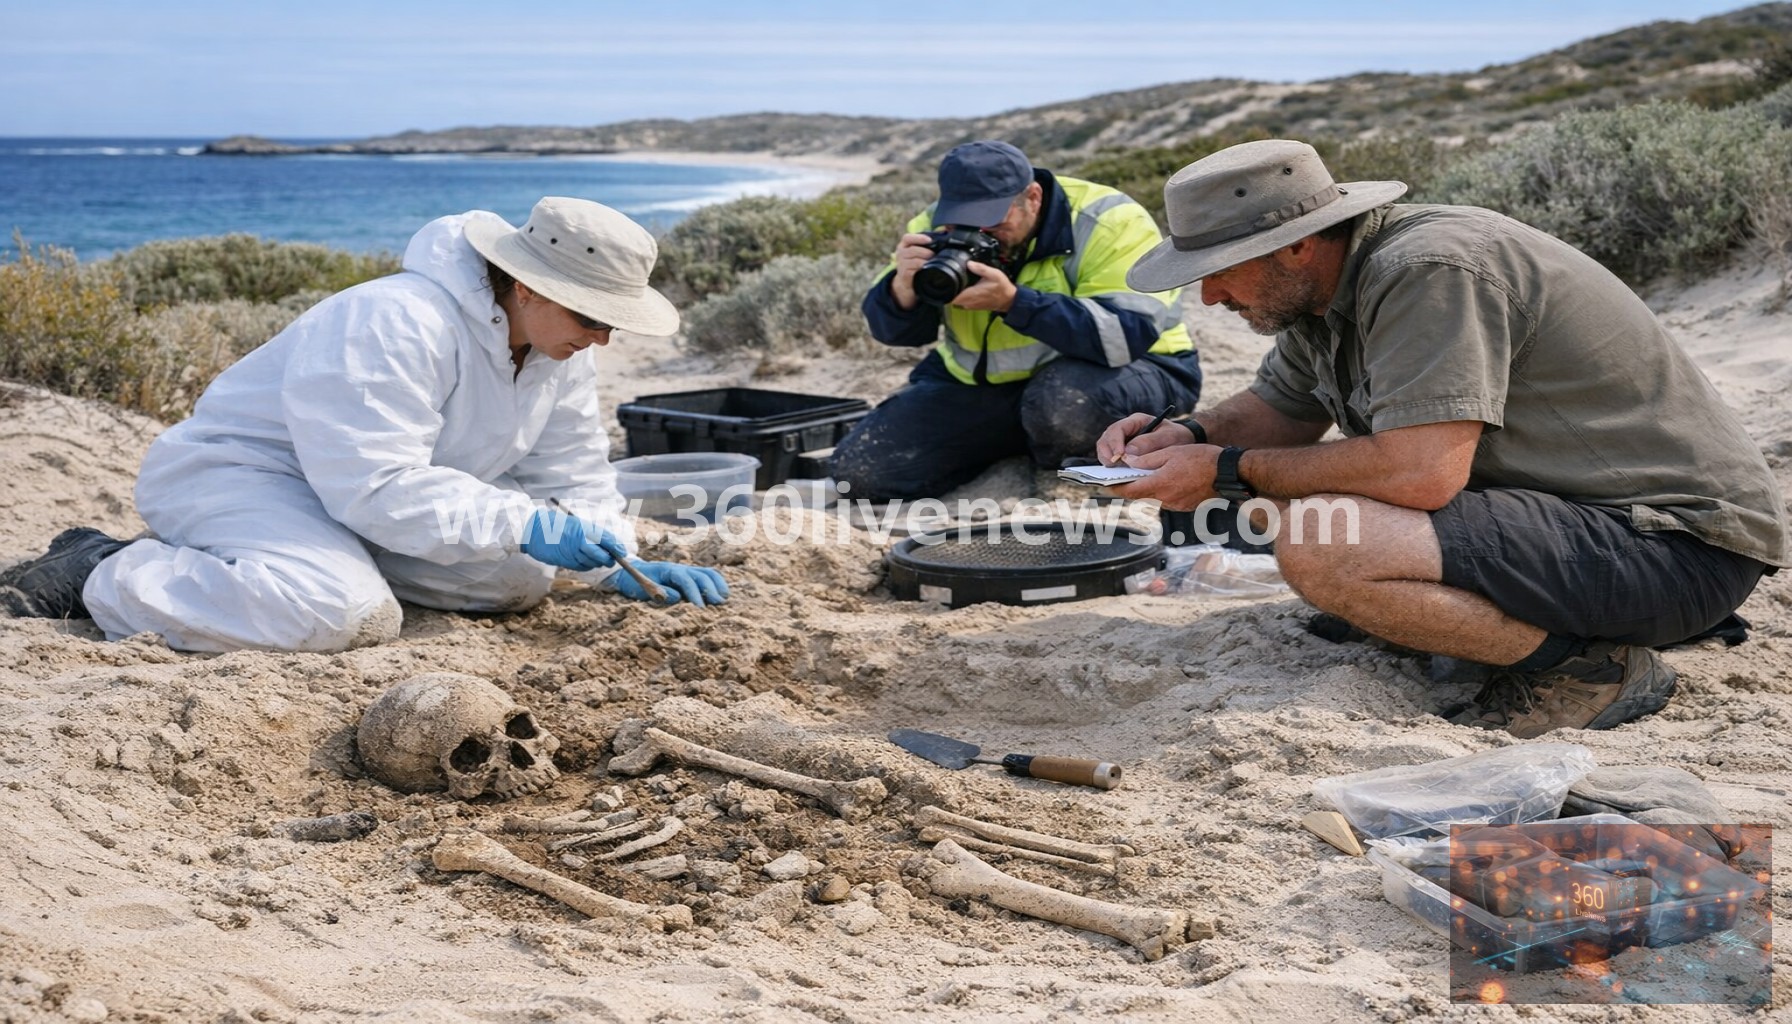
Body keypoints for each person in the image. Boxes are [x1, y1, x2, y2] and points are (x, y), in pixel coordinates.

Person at [1098, 139, 1788, 738]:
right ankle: (1475, 625)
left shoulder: (1428, 269)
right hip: (1579, 527)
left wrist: (1225, 468)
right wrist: (1182, 435)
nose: (1211, 297)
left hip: (1674, 549)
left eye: (1219, 269)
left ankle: (1591, 672)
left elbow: (1419, 476)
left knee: (1321, 534)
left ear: (1297, 245)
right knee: (1276, 502)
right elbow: (1280, 408)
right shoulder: (1313, 291)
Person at [0, 197, 728, 652]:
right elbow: (374, 485)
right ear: (531, 286)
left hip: (366, 500)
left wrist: (615, 562)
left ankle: (314, 563)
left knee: (518, 578)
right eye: (592, 317)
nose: (602, 338)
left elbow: (571, 473)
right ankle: (105, 567)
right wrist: (529, 521)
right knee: (337, 613)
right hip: (255, 477)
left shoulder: (555, 348)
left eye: (612, 323)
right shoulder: (394, 320)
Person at [830, 140, 1202, 499]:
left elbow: (1124, 335)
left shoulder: (1109, 221)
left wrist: (1013, 303)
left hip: (1133, 368)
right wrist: (902, 291)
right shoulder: (934, 227)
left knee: (1061, 408)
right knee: (861, 474)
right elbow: (894, 334)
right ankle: (1025, 437)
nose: (979, 232)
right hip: (988, 384)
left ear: (1033, 197)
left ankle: (1056, 450)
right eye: (965, 221)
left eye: (993, 218)